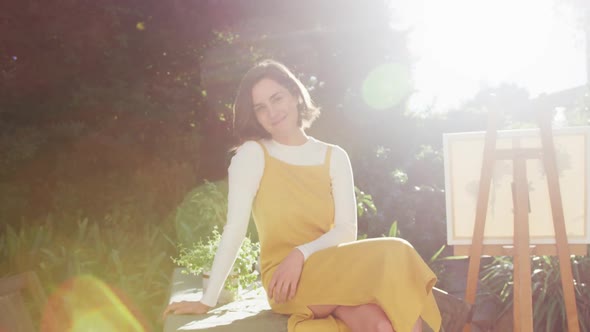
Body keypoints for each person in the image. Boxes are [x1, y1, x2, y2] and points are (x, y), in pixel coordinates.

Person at [163, 59, 441, 332]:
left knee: (381, 326)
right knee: (398, 250)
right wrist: (207, 300)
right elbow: (234, 229)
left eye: (277, 98)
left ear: (295, 95)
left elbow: (347, 230)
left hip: (333, 271)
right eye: (261, 108)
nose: (272, 112)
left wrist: (301, 253)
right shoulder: (252, 154)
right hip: (285, 282)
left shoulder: (334, 156)